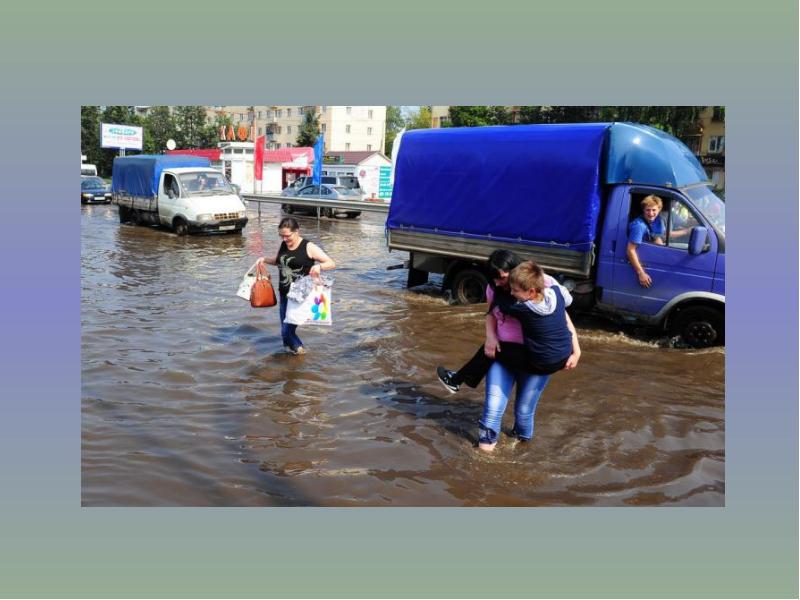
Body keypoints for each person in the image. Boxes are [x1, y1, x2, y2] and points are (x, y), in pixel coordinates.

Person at [436, 252, 580, 452]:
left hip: (535, 358)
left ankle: (522, 451)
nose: (498, 283)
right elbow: (491, 313)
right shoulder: (494, 288)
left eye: (503, 278)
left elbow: (562, 319)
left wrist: (576, 350)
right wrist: (491, 337)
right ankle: (485, 453)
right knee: (493, 408)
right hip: (504, 352)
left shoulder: (544, 283)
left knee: (523, 412)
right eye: (493, 278)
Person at [256, 217, 335, 355]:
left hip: (300, 296)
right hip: (284, 293)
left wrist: (319, 266)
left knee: (287, 330)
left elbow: (331, 263)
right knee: (285, 331)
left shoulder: (308, 247)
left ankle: (301, 353)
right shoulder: (284, 244)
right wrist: (265, 260)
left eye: (287, 236)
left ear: (297, 231)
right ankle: (290, 363)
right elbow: (280, 261)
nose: (284, 239)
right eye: (281, 236)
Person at [627, 194, 665, 288]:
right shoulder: (639, 226)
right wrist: (641, 273)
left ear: (659, 210)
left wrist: (686, 231)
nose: (651, 213)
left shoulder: (653, 221)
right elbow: (630, 250)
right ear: (643, 210)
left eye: (654, 210)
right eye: (648, 210)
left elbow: (659, 236)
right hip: (640, 263)